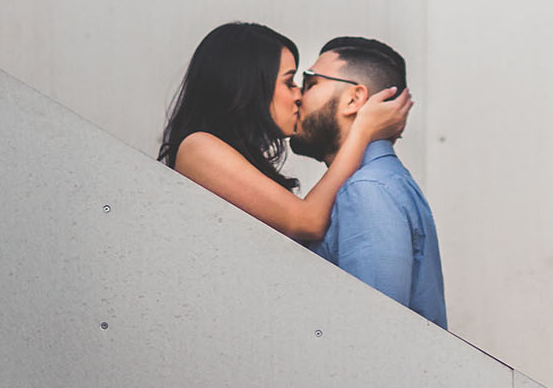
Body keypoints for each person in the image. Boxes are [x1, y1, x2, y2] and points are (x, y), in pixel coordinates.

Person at [160, 22, 411, 244]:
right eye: (289, 82)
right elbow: (307, 222)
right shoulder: (198, 147)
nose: (299, 95)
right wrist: (362, 130)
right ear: (252, 85)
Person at [289, 36, 446, 329]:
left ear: (354, 99)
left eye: (311, 83)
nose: (298, 96)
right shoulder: (381, 182)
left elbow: (373, 334)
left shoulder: (367, 190)